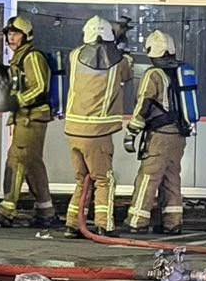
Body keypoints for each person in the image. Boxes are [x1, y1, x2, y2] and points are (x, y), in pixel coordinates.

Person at [63, 15, 132, 235]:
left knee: (82, 179)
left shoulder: (74, 56)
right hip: (98, 132)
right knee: (104, 179)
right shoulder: (119, 61)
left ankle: (72, 224)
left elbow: (96, 55)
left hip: (74, 129)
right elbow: (126, 73)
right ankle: (104, 225)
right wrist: (120, 44)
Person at [0, 15, 55, 227]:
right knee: (33, 165)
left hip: (31, 118)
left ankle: (6, 210)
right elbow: (20, 84)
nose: (11, 37)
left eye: (16, 33)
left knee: (16, 160)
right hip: (25, 117)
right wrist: (4, 76)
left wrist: (16, 101)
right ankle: (46, 211)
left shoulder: (32, 57)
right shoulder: (18, 59)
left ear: (27, 36)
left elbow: (40, 86)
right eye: (9, 33)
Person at [125, 29, 190, 235]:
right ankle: (173, 222)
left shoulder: (153, 74)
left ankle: (137, 221)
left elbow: (143, 104)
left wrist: (132, 132)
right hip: (179, 135)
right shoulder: (181, 72)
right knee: (172, 177)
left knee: (148, 177)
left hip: (159, 135)